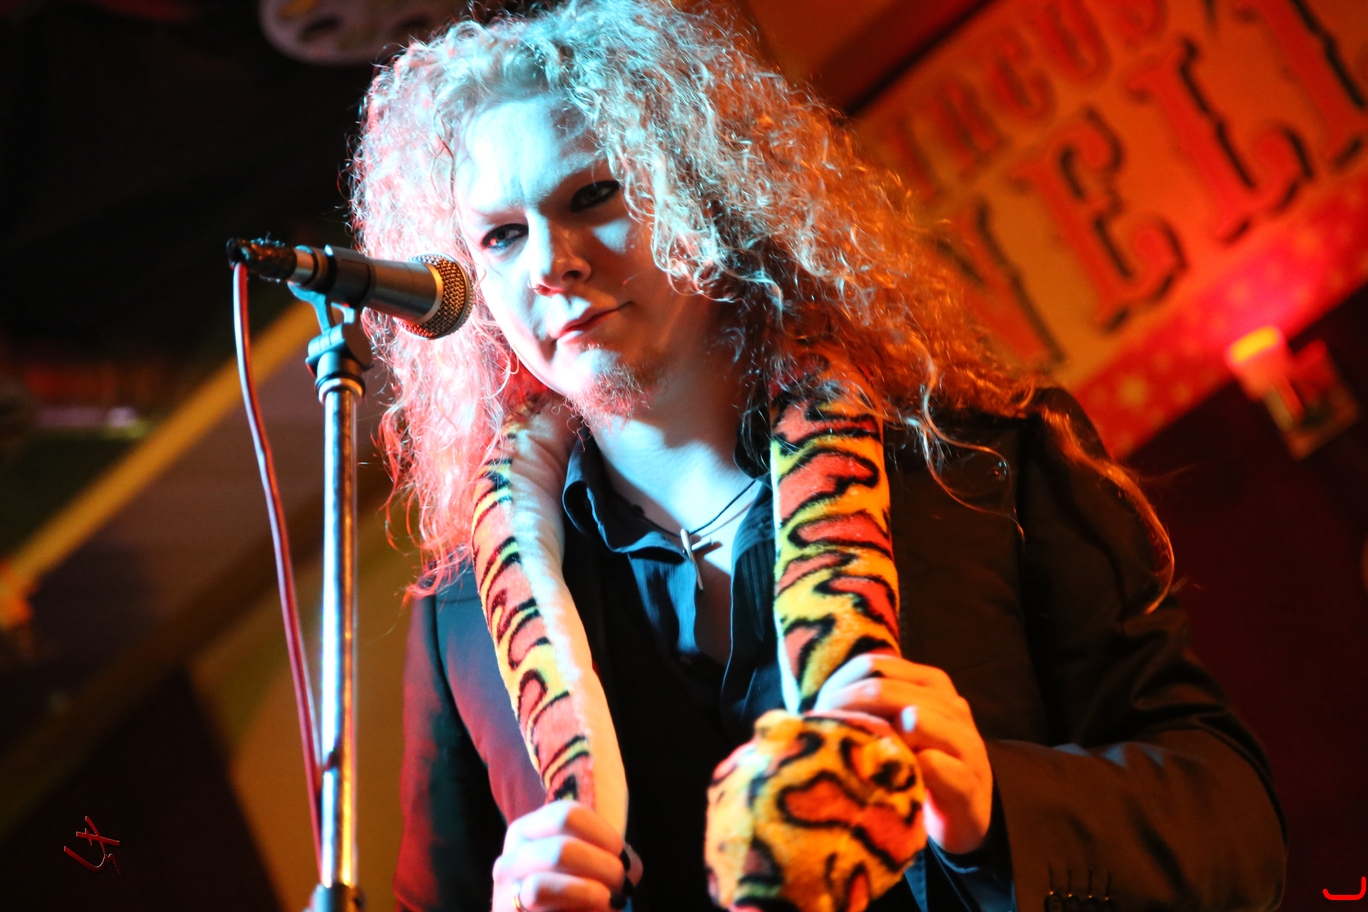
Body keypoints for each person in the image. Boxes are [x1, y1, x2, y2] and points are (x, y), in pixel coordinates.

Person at [348, 2, 1287, 910]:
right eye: (502, 237)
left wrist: (993, 806)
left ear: (699, 191)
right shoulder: (462, 619)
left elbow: (1237, 829)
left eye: (594, 196)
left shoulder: (976, 459)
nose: (551, 263)